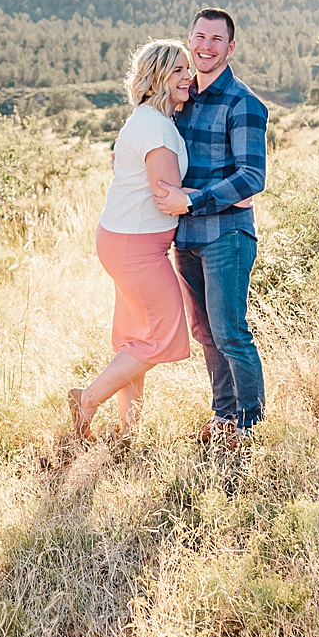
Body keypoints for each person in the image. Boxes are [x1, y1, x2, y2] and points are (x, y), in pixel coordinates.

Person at [67, 40, 197, 442]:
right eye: (177, 70)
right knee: (164, 337)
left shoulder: (146, 119)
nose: (187, 77)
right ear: (156, 76)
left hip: (125, 241)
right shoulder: (157, 128)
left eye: (188, 69)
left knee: (135, 338)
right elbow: (169, 197)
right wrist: (227, 194)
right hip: (137, 248)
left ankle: (128, 432)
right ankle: (87, 400)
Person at [152, 7, 267, 444]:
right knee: (204, 332)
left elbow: (251, 178)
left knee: (230, 332)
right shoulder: (182, 100)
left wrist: (193, 200)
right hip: (187, 238)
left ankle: (250, 427)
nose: (205, 46)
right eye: (199, 36)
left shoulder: (244, 103)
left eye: (216, 39)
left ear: (230, 47)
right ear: (190, 39)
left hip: (226, 236)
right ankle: (223, 417)